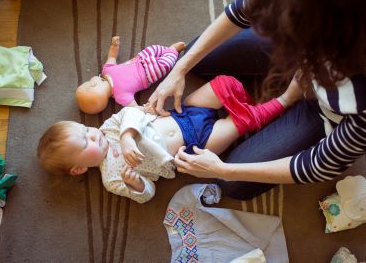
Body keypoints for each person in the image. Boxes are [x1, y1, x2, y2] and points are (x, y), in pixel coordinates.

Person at [147, 0, 366, 200]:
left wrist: (224, 170)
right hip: (306, 39)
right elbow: (240, 11)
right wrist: (180, 68)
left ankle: (290, 101)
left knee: (232, 185)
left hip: (322, 111)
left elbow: (320, 164)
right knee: (195, 56)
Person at [37, 75, 300, 203]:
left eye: (85, 130)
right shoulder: (112, 179)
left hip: (184, 112)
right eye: (86, 143)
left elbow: (130, 112)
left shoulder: (108, 128)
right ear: (80, 168)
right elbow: (147, 195)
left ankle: (248, 105)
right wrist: (137, 184)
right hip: (197, 144)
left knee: (223, 84)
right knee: (239, 123)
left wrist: (127, 137)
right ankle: (285, 100)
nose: (92, 135)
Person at [75, 36, 186, 114]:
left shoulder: (106, 71)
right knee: (165, 64)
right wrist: (145, 109)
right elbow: (134, 108)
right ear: (93, 83)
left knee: (152, 49)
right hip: (150, 74)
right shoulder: (120, 96)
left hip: (141, 59)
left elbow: (112, 57)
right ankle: (173, 50)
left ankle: (167, 51)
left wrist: (114, 46)